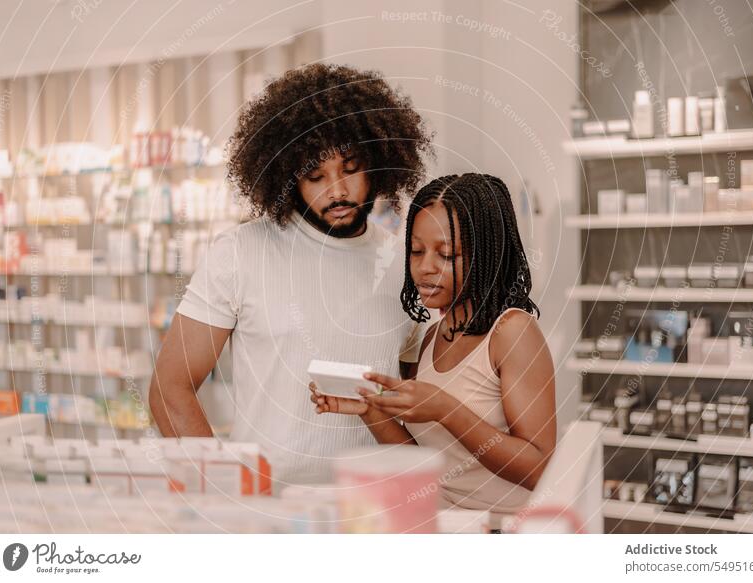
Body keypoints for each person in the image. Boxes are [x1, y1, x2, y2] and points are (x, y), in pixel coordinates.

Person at [149, 63, 433, 491]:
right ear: (287, 176)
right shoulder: (242, 253)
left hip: (375, 510)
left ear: (379, 162)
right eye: (315, 176)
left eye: (350, 169)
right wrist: (221, 490)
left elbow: (408, 401)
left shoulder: (404, 262)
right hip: (269, 513)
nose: (337, 191)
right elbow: (170, 389)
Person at [311, 173, 557, 521]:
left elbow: (538, 468)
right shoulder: (432, 337)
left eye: (446, 255)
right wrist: (369, 409)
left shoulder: (513, 333)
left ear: (487, 254)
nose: (425, 268)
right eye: (416, 251)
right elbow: (423, 461)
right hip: (440, 527)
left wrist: (445, 409)